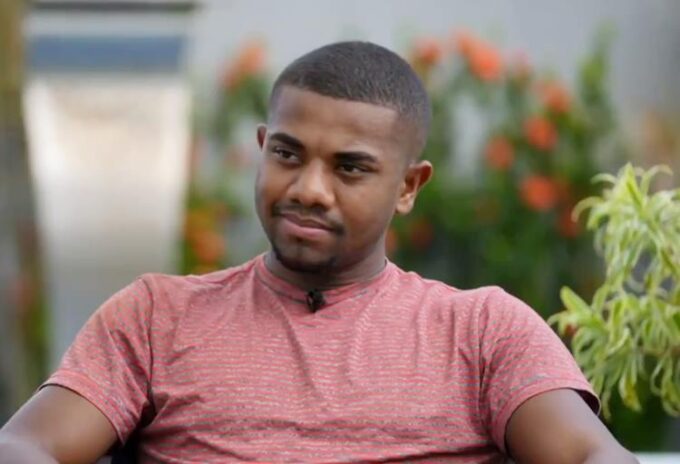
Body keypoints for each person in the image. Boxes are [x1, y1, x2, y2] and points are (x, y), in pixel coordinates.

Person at [0, 41, 636, 464]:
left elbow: (593, 456)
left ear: (408, 187)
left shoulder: (482, 330)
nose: (308, 189)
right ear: (263, 146)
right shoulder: (155, 317)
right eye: (287, 153)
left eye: (350, 167)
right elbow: (26, 447)